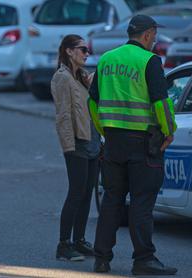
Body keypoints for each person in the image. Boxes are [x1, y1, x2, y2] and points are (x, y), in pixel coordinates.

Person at [88, 15, 177, 275]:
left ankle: (101, 259)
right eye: (154, 36)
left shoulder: (106, 60)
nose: (155, 40)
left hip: (114, 143)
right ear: (148, 34)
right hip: (143, 144)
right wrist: (169, 131)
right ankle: (144, 260)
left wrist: (104, 130)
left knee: (112, 201)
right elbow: (161, 103)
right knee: (141, 203)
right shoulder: (149, 61)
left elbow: (92, 102)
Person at [51, 34, 101, 261]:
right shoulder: (62, 78)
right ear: (69, 51)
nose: (86, 53)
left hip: (92, 141)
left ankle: (79, 241)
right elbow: (63, 116)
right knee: (76, 193)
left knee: (87, 193)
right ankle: (64, 244)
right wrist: (68, 146)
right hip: (77, 143)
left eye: (87, 50)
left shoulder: (81, 77)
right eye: (82, 49)